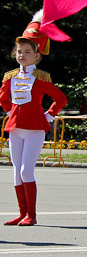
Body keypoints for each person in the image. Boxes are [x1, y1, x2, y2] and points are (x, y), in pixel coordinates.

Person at [1, 11, 68, 227]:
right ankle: (22, 213)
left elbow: (61, 99)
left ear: (37, 56)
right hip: (15, 129)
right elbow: (3, 99)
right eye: (20, 51)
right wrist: (11, 113)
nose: (22, 55)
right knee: (16, 172)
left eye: (27, 52)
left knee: (25, 170)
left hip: (35, 130)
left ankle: (31, 214)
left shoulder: (41, 78)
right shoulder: (10, 77)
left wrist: (48, 116)